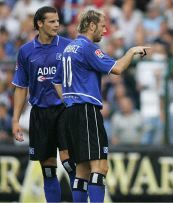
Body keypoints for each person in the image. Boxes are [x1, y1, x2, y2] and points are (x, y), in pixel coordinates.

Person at [53, 9, 150, 202]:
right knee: (100, 167)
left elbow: (56, 81)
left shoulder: (69, 48)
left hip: (72, 111)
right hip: (86, 111)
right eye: (103, 26)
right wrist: (131, 51)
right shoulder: (87, 47)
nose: (105, 31)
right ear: (91, 25)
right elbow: (118, 68)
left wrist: (68, 99)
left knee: (82, 169)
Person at [11, 6, 76, 202]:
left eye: (58, 21)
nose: (57, 24)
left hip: (65, 110)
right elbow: (21, 87)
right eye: (52, 21)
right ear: (40, 23)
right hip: (40, 114)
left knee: (69, 162)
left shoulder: (68, 46)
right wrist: (15, 120)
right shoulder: (26, 51)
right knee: (48, 170)